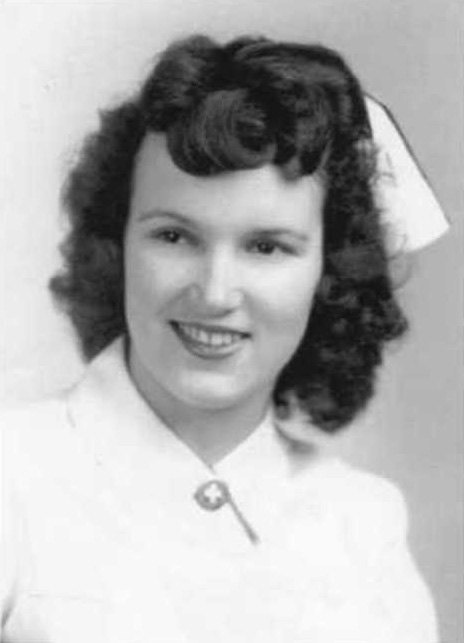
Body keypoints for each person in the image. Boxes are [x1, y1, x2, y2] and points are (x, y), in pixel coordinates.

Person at [1, 34, 447, 642]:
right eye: (174, 237)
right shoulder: (14, 476)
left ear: (330, 272)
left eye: (266, 247)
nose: (214, 293)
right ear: (117, 243)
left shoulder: (363, 524)